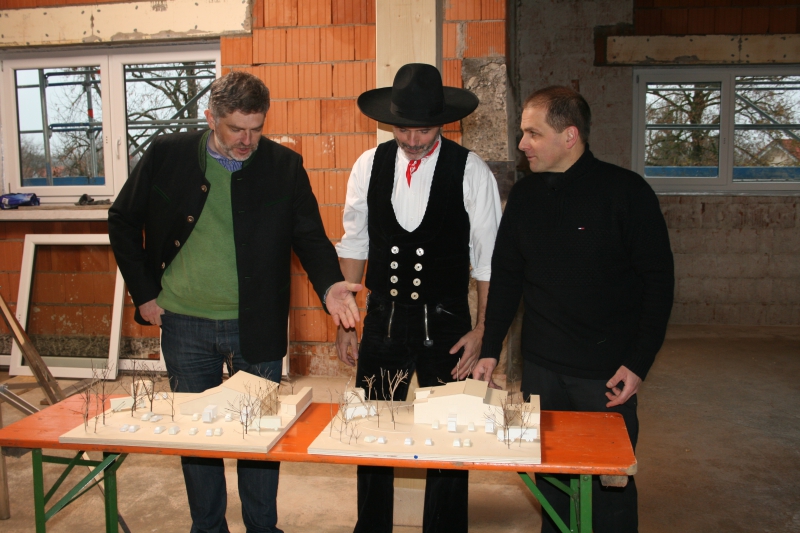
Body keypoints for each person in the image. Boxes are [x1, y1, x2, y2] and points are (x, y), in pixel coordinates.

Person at [108, 71, 361, 533]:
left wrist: (330, 286)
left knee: (258, 435)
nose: (247, 140)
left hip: (257, 325)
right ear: (211, 118)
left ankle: (262, 528)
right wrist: (143, 292)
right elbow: (122, 220)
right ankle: (208, 528)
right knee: (197, 438)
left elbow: (309, 236)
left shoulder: (284, 166)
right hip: (184, 322)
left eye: (256, 129)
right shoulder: (167, 155)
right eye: (236, 129)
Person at [473, 85, 674, 533]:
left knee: (609, 493)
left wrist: (639, 362)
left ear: (570, 136)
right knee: (551, 485)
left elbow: (658, 285)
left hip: (605, 377)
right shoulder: (525, 196)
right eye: (523, 133)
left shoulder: (627, 193)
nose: (522, 144)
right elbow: (507, 278)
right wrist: (489, 348)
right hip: (542, 371)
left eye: (533, 134)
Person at [335, 63, 502, 533]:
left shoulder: (471, 170)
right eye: (402, 129)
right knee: (372, 432)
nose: (412, 140)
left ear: (442, 123)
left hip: (448, 325)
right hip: (382, 319)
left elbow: (488, 261)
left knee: (449, 437)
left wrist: (483, 331)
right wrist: (345, 322)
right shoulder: (368, 165)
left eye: (423, 131)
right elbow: (354, 244)